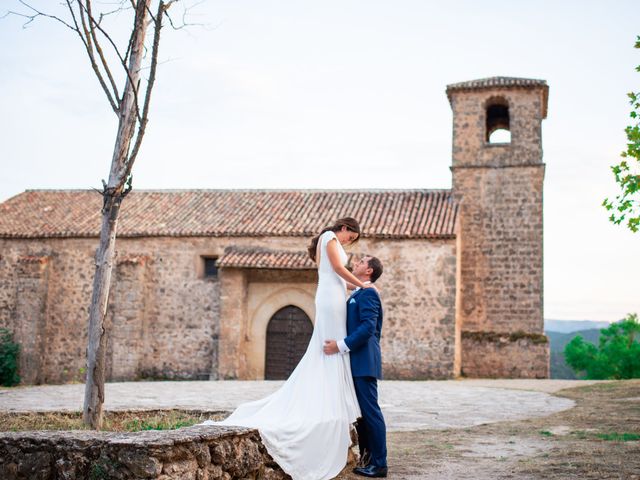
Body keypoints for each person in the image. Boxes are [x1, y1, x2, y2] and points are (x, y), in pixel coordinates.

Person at [201, 217, 374, 480]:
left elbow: (339, 279)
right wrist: (362, 285)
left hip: (334, 294)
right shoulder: (329, 238)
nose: (350, 242)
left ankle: (329, 399)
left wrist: (359, 288)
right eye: (352, 237)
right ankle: (323, 400)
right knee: (328, 343)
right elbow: (338, 269)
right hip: (329, 299)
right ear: (345, 229)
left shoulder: (333, 243)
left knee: (334, 343)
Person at [323, 255, 387, 478]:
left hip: (364, 360)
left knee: (371, 413)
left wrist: (340, 345)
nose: (356, 262)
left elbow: (368, 327)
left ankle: (380, 464)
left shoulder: (369, 292)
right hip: (355, 360)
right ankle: (368, 458)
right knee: (361, 414)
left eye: (361, 262)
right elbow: (340, 280)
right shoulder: (360, 291)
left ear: (369, 271)